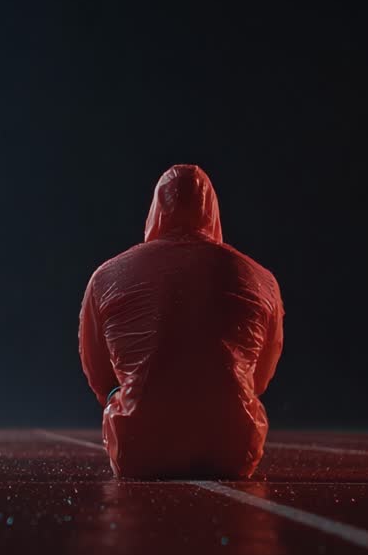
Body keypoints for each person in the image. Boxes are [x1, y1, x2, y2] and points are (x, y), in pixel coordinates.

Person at [78, 164, 284, 479]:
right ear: (213, 210)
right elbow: (261, 376)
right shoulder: (261, 279)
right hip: (234, 448)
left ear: (154, 210)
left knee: (120, 398)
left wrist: (134, 398)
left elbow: (99, 374)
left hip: (137, 448)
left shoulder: (106, 276)